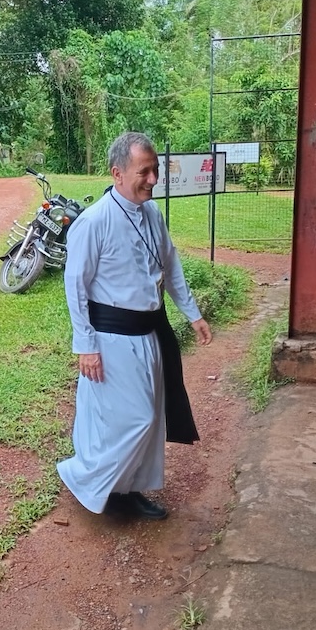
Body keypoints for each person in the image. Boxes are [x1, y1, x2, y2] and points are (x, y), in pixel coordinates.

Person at [57, 131, 212, 520]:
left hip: (150, 333)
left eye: (155, 170)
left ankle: (126, 490)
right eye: (144, 171)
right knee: (134, 419)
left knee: (150, 417)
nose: (153, 179)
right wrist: (85, 345)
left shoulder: (152, 214)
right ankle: (84, 478)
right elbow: (75, 286)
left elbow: (170, 266)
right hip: (112, 339)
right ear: (117, 173)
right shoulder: (94, 221)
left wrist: (192, 314)